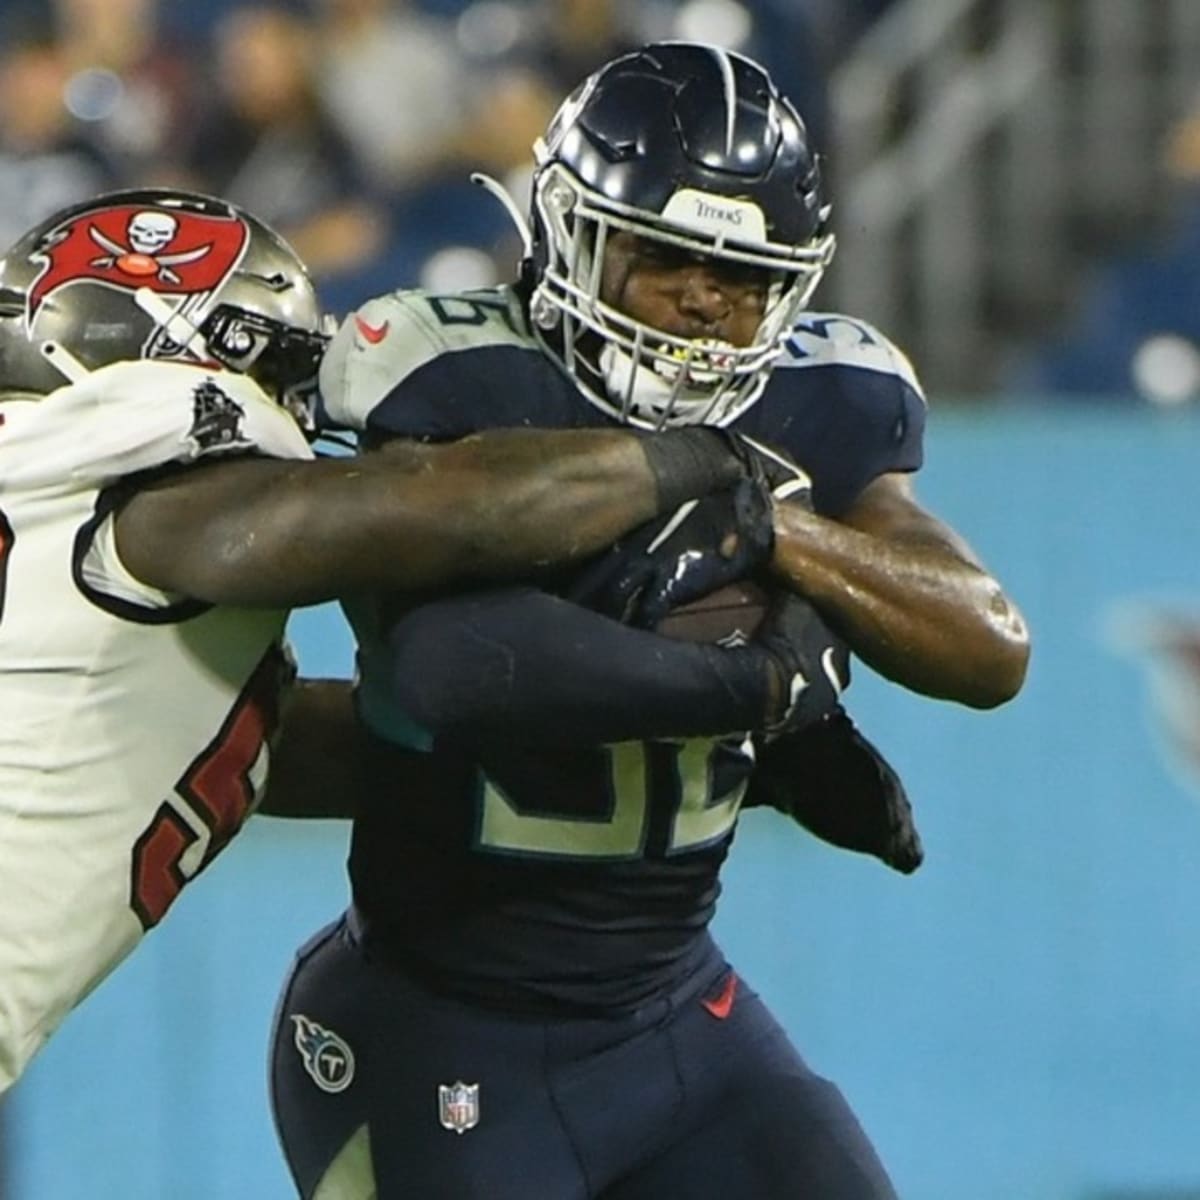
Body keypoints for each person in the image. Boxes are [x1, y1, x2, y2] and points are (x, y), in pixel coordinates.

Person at [270, 43, 1030, 1199]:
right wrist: (767, 692)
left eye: (741, 277)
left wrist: (776, 529)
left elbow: (987, 645)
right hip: (442, 1033)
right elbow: (455, 666)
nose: (702, 302)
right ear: (572, 231)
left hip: (677, 1016)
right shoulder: (448, 369)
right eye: (666, 255)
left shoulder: (823, 400)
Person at [0, 184, 790, 1095]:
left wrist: (695, 733)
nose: (295, 410)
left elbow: (220, 755)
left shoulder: (62, 519)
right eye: (281, 375)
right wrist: (705, 459)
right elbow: (430, 508)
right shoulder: (161, 461)